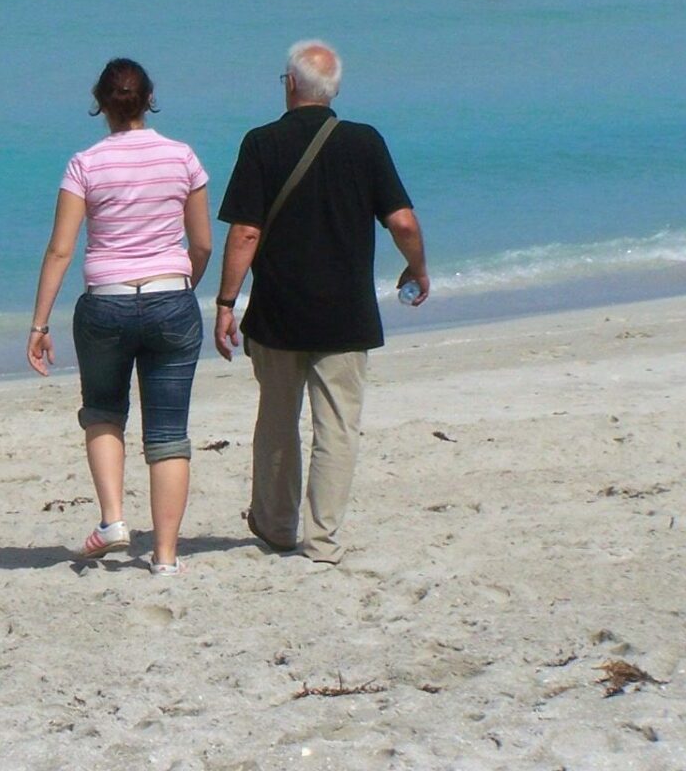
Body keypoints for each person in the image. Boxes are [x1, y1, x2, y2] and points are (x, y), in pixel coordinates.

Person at [213, 40, 429, 566]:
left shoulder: (261, 143)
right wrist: (418, 267)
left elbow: (245, 232)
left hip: (279, 311)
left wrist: (225, 301)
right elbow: (401, 220)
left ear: (289, 83)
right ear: (334, 92)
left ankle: (277, 526)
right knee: (336, 426)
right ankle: (324, 539)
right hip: (347, 313)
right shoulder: (365, 142)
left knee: (277, 421)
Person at [28, 59, 212, 575]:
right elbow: (201, 243)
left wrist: (39, 324)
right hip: (170, 297)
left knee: (104, 410)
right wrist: (179, 289)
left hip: (105, 301)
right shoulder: (182, 158)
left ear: (100, 103)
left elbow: (60, 250)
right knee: (170, 431)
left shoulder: (85, 164)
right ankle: (167, 558)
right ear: (149, 98)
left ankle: (112, 520)